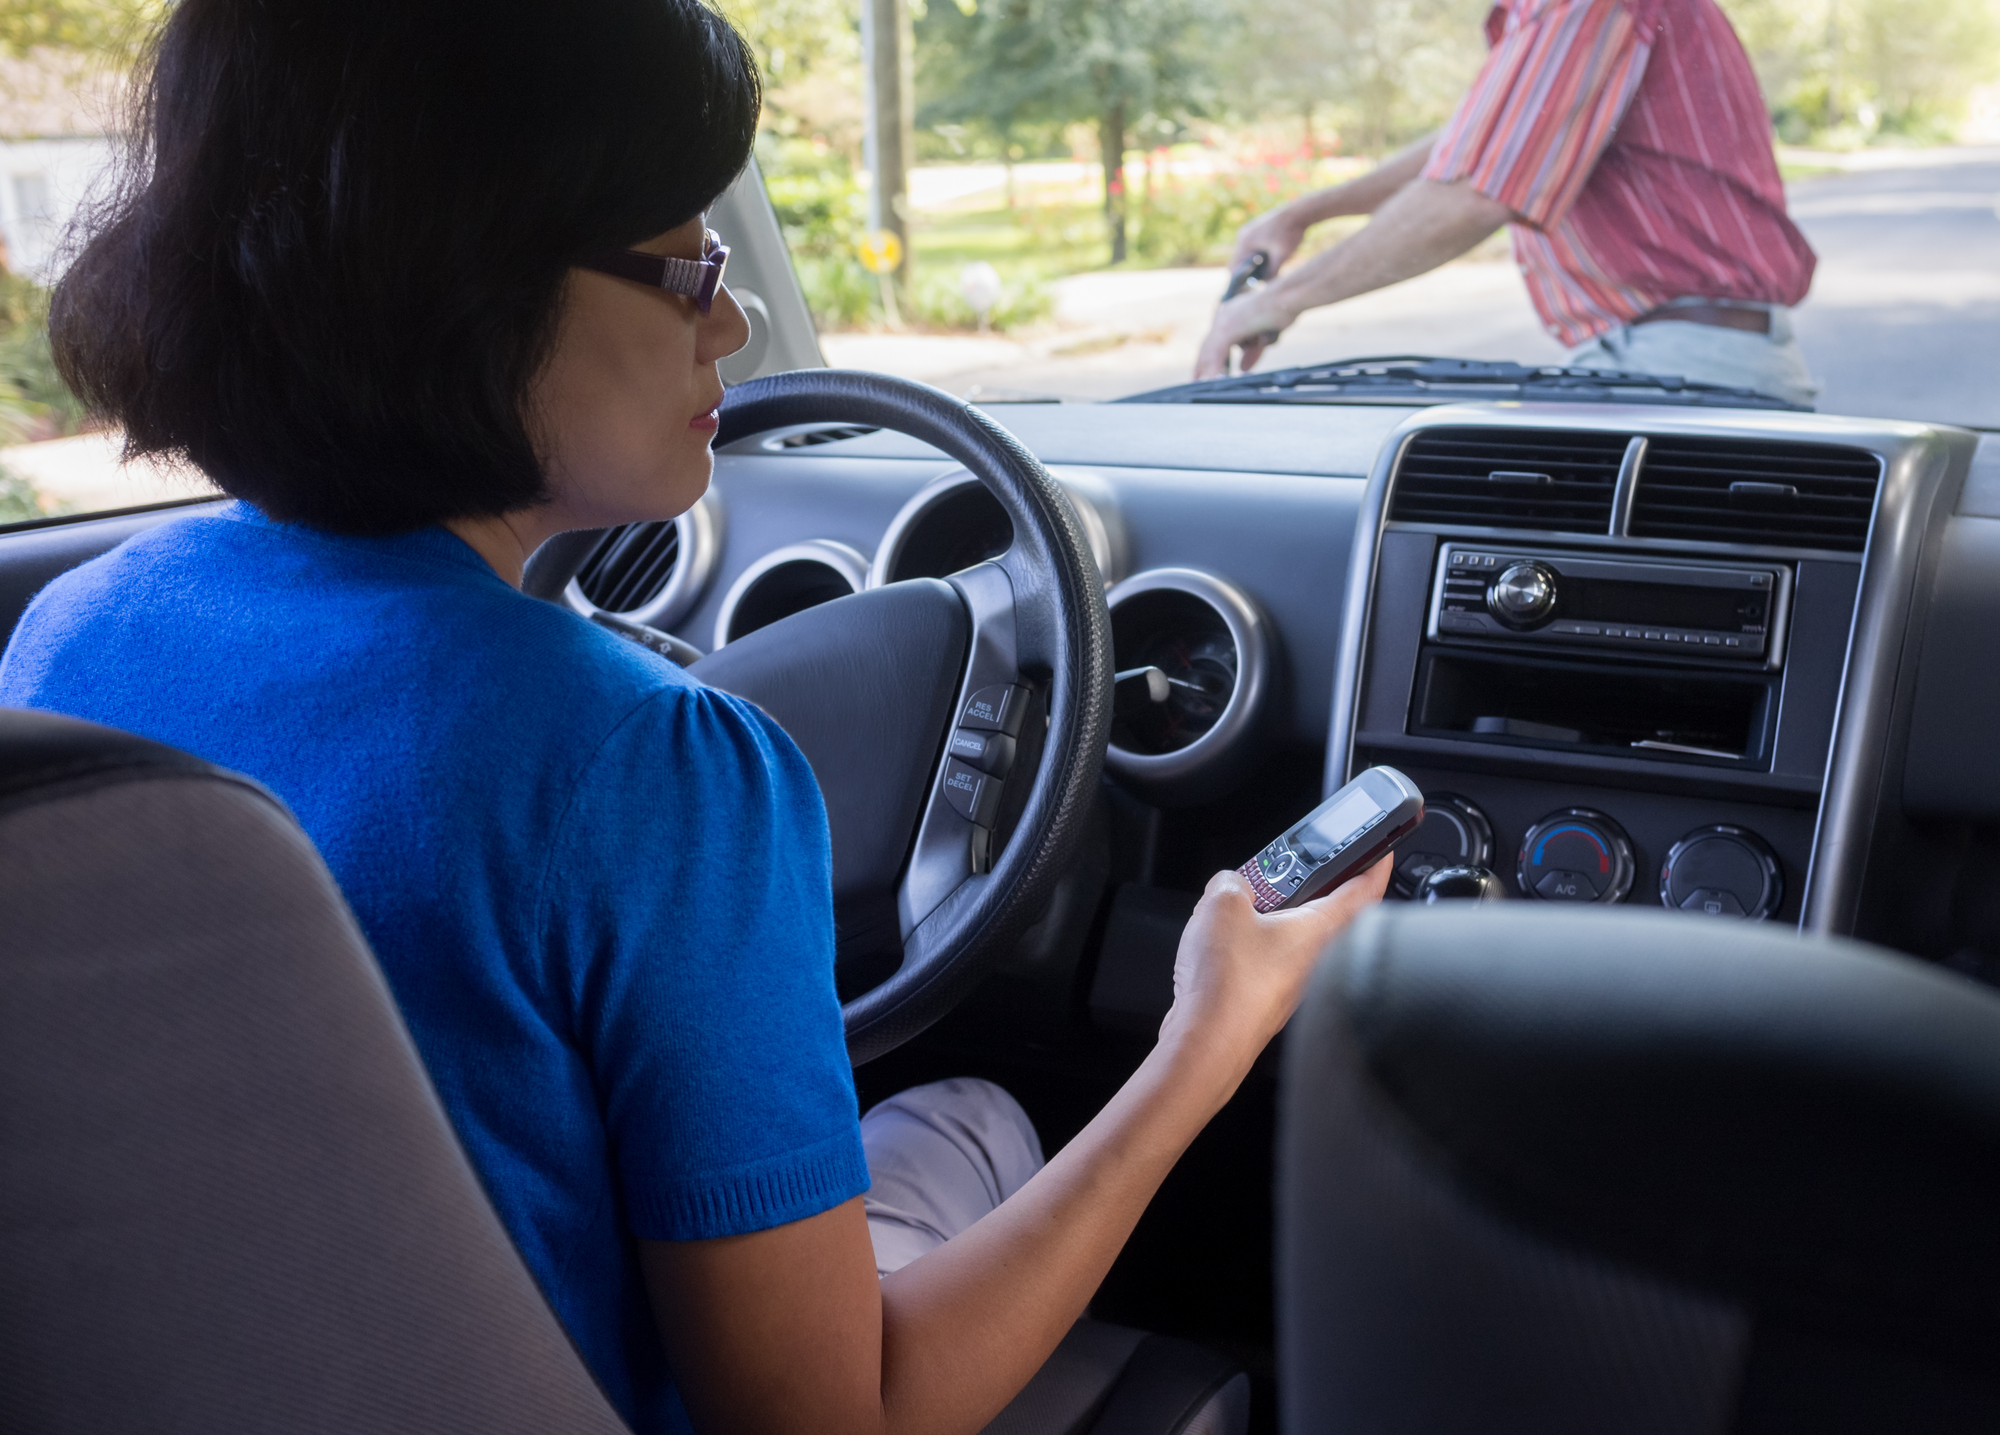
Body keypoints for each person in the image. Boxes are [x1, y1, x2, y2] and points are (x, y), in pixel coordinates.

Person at [0, 4, 1389, 1434]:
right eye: (689, 268)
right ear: (469, 283)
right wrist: (1206, 1041)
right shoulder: (655, 764)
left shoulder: (72, 633)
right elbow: (840, 1413)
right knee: (975, 1117)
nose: (728, 320)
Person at [1195, 0, 1820, 406]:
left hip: (1684, 367)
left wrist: (1280, 300)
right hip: (1680, 357)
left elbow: (1474, 194)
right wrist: (1307, 212)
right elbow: (1477, 143)